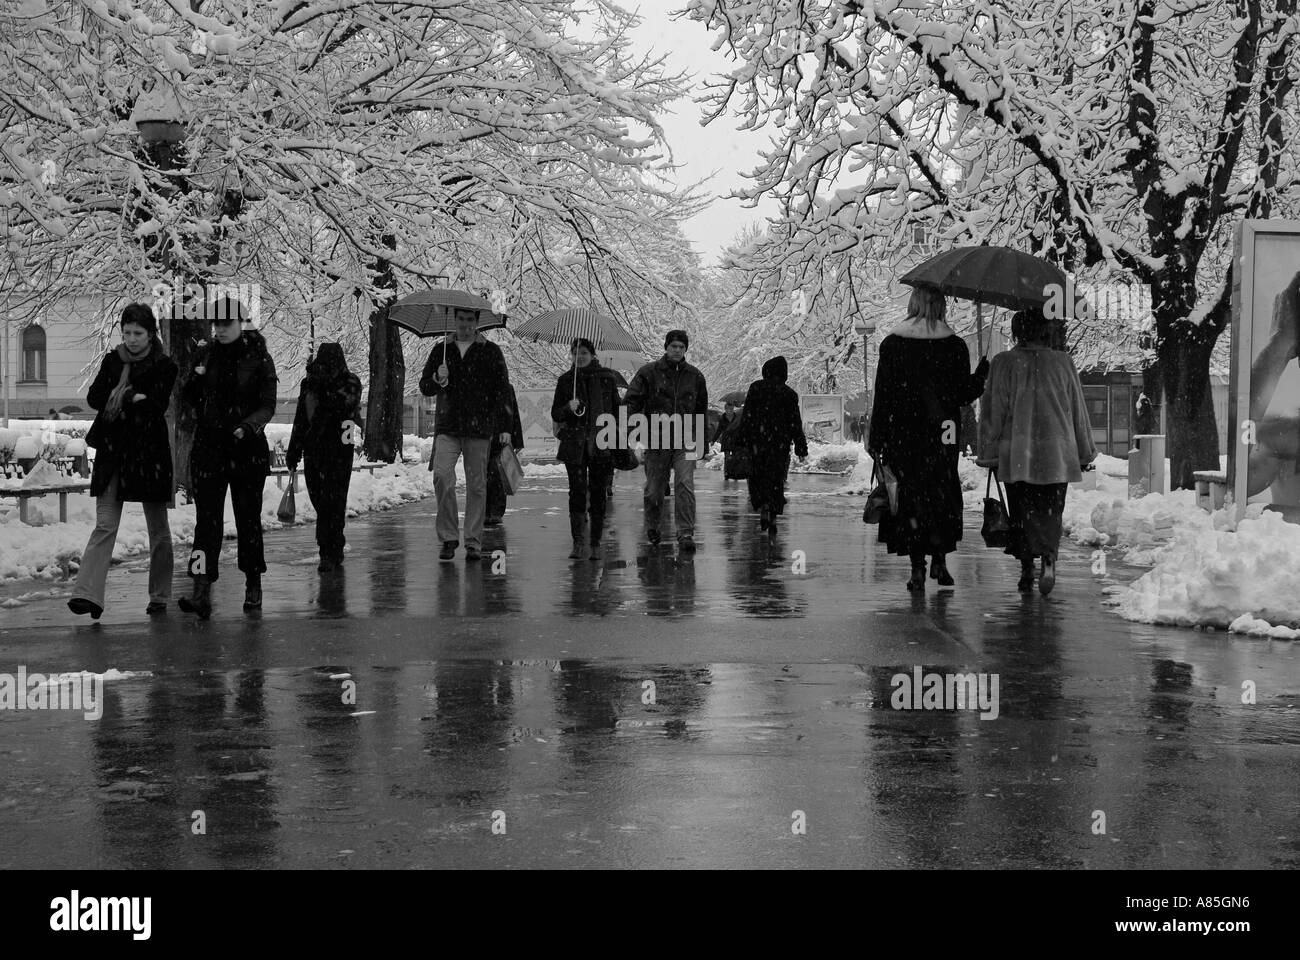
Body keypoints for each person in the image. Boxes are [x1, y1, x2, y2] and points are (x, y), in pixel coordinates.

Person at [868, 286, 988, 590]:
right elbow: (963, 394)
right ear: (941, 307)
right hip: (942, 434)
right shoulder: (955, 346)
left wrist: (877, 438)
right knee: (941, 495)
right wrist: (981, 375)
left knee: (909, 499)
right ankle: (941, 561)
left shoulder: (893, 345)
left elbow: (882, 395)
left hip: (902, 436)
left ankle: (917, 567)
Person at [68, 304, 177, 620]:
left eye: (138, 333)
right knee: (105, 524)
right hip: (114, 452)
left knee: (158, 529)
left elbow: (154, 405)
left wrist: (123, 397)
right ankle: (87, 594)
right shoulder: (112, 361)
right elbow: (94, 398)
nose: (131, 339)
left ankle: (159, 595)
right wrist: (131, 397)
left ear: (150, 334)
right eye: (126, 332)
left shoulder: (164, 366)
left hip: (148, 455)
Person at [978, 308, 1097, 596]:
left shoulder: (1004, 363)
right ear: (1046, 331)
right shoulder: (1062, 362)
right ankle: (1049, 557)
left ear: (1018, 331)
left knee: (1021, 511)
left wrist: (989, 451)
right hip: (1057, 451)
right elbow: (1077, 409)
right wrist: (1084, 451)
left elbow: (994, 412)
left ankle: (1026, 569)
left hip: (1018, 452)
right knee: (1051, 511)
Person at [178, 297, 278, 618]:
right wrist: (193, 377)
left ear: (240, 324)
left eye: (226, 324)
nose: (220, 330)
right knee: (205, 522)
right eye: (216, 324)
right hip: (210, 450)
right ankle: (200, 587)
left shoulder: (258, 356)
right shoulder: (205, 354)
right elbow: (189, 398)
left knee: (248, 519)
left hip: (246, 450)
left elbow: (268, 404)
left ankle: (253, 581)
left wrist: (247, 427)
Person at [419, 307, 513, 562]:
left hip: (479, 428)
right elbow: (424, 386)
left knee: (477, 485)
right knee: (441, 476)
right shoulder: (442, 350)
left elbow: (502, 389)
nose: (465, 325)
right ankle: (449, 537)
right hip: (448, 426)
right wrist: (438, 379)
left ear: (477, 323)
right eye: (461, 319)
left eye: (470, 320)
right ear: (454, 320)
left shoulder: (490, 351)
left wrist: (505, 426)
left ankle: (473, 540)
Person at [625, 329, 709, 552]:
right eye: (674, 346)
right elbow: (631, 402)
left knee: (684, 483)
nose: (677, 350)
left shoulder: (695, 376)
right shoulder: (648, 373)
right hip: (656, 438)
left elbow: (701, 410)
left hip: (686, 439)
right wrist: (633, 431)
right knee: (655, 489)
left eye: (681, 347)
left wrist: (702, 441)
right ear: (666, 347)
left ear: (685, 350)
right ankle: (653, 525)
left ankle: (685, 532)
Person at [286, 343, 362, 572]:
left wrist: (323, 389)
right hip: (314, 449)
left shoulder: (350, 382)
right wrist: (294, 449)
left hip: (340, 449)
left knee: (334, 501)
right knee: (320, 499)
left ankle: (328, 549)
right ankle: (332, 543)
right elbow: (301, 417)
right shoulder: (309, 384)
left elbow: (343, 407)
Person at [551, 338, 624, 560]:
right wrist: (568, 407)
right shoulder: (566, 380)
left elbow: (616, 409)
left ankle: (595, 540)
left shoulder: (607, 378)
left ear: (592, 354)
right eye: (575, 353)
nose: (579, 356)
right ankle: (578, 541)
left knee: (598, 491)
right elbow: (556, 414)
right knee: (577, 491)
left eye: (583, 352)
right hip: (575, 443)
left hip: (601, 441)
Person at [731, 356, 808, 541]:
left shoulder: (756, 388)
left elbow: (747, 415)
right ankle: (773, 512)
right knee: (776, 479)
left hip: (758, 443)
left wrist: (742, 439)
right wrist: (800, 445)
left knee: (757, 477)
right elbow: (795, 422)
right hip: (779, 445)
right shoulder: (789, 394)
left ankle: (763, 504)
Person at [485, 382, 525, 527]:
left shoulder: (506, 387)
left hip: (499, 438)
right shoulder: (478, 386)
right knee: (485, 476)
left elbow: (512, 413)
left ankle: (494, 512)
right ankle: (487, 511)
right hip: (483, 437)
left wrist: (516, 439)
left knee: (497, 475)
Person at [712, 402, 742, 480]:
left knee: (735, 458)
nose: (729, 411)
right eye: (728, 409)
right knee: (727, 458)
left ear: (733, 409)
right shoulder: (722, 418)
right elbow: (719, 430)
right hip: (726, 440)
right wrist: (713, 441)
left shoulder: (736, 418)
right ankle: (727, 474)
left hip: (735, 440)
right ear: (725, 409)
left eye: (731, 409)